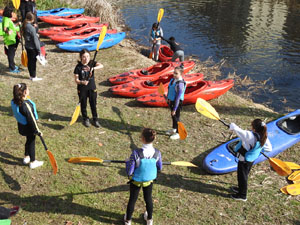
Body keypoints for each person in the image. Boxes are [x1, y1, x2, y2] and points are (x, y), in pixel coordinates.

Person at [124, 128, 162, 225]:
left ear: (143, 139)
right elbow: (159, 167)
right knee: (148, 199)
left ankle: (128, 220)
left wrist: (127, 162)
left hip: (136, 181)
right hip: (149, 180)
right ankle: (149, 219)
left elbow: (130, 171)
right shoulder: (157, 153)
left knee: (132, 199)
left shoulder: (136, 153)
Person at [229, 119, 272, 201]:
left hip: (244, 160)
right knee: (244, 175)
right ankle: (240, 189)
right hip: (251, 160)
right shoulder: (264, 136)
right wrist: (259, 149)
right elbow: (269, 149)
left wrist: (232, 125)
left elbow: (237, 129)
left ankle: (242, 195)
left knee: (242, 177)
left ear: (254, 127)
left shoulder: (249, 135)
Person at [11, 83, 44, 169]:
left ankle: (26, 157)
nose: (29, 90)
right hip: (29, 127)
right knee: (31, 142)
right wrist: (37, 131)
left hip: (21, 126)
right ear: (25, 92)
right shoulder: (26, 105)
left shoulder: (14, 101)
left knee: (28, 140)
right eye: (28, 89)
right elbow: (31, 119)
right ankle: (33, 162)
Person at [74, 49, 103, 128]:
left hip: (92, 88)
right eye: (84, 57)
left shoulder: (92, 63)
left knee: (93, 104)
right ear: (81, 57)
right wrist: (82, 82)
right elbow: (76, 80)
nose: (86, 58)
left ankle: (95, 119)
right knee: (83, 104)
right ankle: (85, 119)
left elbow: (101, 65)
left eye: (87, 56)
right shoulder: (78, 67)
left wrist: (93, 68)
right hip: (82, 88)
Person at [166, 66, 186, 140]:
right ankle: (174, 129)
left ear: (181, 74)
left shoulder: (180, 85)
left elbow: (177, 98)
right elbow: (170, 89)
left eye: (176, 73)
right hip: (171, 101)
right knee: (172, 116)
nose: (174, 74)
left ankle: (179, 133)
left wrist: (174, 108)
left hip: (177, 103)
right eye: (174, 72)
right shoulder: (173, 80)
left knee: (176, 117)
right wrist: (168, 98)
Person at [23, 12, 43, 81]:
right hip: (32, 47)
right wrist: (39, 50)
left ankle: (31, 75)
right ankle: (34, 76)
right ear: (32, 19)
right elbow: (35, 40)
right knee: (33, 62)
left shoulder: (25, 25)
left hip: (27, 46)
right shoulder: (31, 28)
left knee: (30, 61)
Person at [1, 6, 20, 73]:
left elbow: (12, 26)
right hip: (10, 39)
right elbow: (5, 28)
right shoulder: (6, 19)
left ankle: (12, 65)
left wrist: (17, 24)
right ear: (9, 12)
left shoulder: (7, 18)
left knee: (12, 53)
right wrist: (8, 32)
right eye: (12, 12)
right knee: (11, 54)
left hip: (12, 38)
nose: (13, 13)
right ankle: (12, 68)